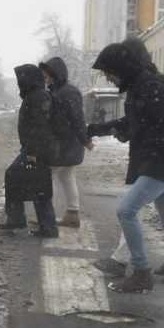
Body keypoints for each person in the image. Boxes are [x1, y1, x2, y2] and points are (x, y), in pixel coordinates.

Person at [88, 40, 164, 304]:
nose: (108, 78)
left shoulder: (149, 86)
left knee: (126, 210)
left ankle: (142, 271)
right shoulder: (140, 87)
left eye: (109, 71)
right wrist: (97, 128)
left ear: (122, 67)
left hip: (161, 162)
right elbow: (138, 122)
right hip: (160, 160)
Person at [0, 64, 59, 238]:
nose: (19, 83)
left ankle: (22, 220)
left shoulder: (38, 97)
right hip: (37, 149)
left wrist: (32, 151)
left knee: (21, 179)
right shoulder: (36, 95)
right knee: (37, 186)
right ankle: (43, 225)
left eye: (21, 79)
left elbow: (40, 126)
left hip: (37, 150)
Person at [39, 57, 92, 228]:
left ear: (56, 74)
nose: (45, 77)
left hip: (64, 145)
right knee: (66, 176)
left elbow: (77, 118)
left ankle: (48, 217)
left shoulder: (67, 92)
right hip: (65, 144)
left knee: (48, 178)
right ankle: (72, 214)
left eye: (47, 74)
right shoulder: (58, 91)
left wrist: (85, 140)